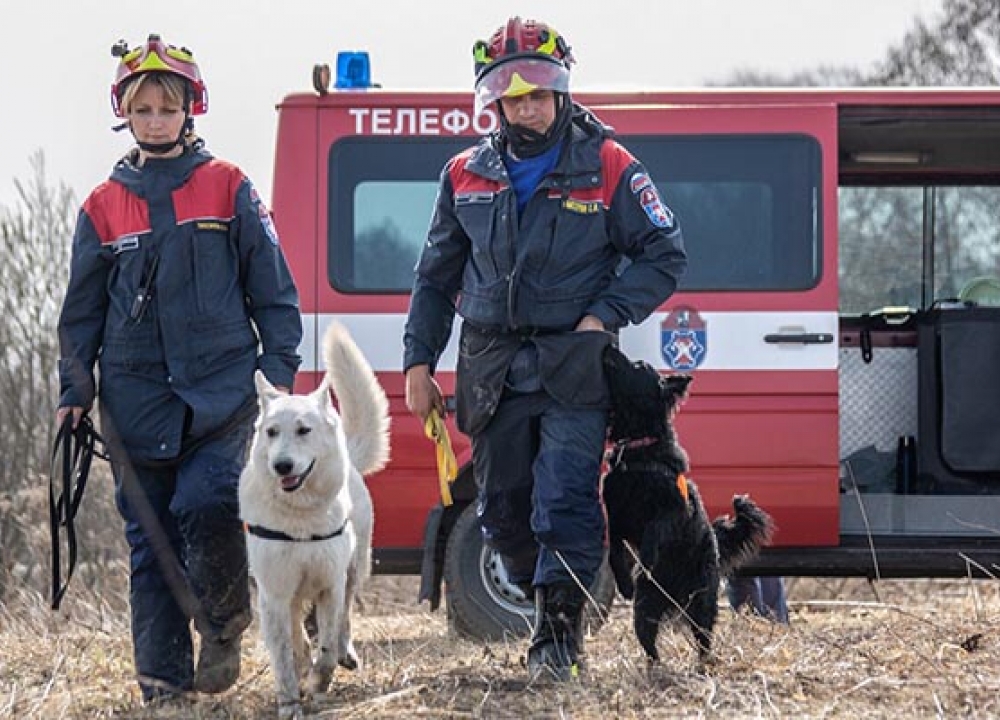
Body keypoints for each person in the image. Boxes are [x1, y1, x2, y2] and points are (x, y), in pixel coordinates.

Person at [403, 17, 687, 682]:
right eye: (512, 95)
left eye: (538, 92)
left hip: (574, 364)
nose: (526, 106)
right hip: (492, 365)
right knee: (502, 509)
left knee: (564, 497)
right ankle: (550, 603)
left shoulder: (610, 163)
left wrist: (603, 317)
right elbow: (434, 279)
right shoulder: (462, 174)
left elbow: (662, 255)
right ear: (493, 101)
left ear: (560, 89)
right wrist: (419, 362)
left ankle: (558, 640)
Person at [56, 34, 302, 702]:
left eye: (168, 107)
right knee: (152, 546)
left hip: (224, 400)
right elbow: (80, 315)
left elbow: (274, 293)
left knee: (208, 501)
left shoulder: (229, 187)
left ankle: (224, 623)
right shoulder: (101, 206)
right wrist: (71, 393)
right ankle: (162, 689)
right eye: (144, 110)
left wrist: (277, 373)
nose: (156, 119)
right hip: (135, 407)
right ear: (125, 115)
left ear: (192, 109)